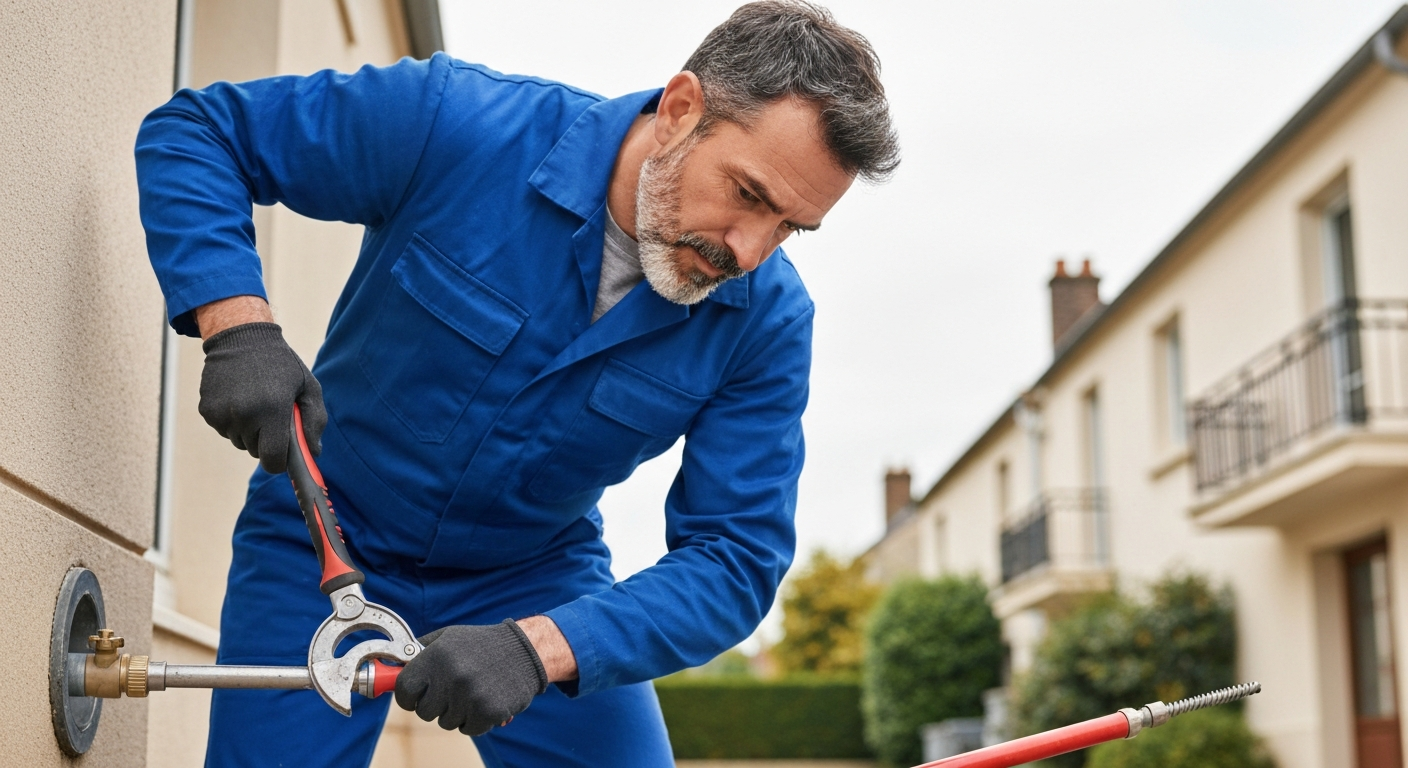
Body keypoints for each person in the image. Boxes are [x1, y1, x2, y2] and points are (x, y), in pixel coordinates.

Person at [136, 2, 898, 765]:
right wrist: (237, 327)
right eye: (750, 196)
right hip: (320, 537)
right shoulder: (458, 124)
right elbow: (200, 134)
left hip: (536, 580)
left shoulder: (765, 321)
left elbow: (733, 556)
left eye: (790, 228)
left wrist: (543, 646)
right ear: (680, 109)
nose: (750, 250)